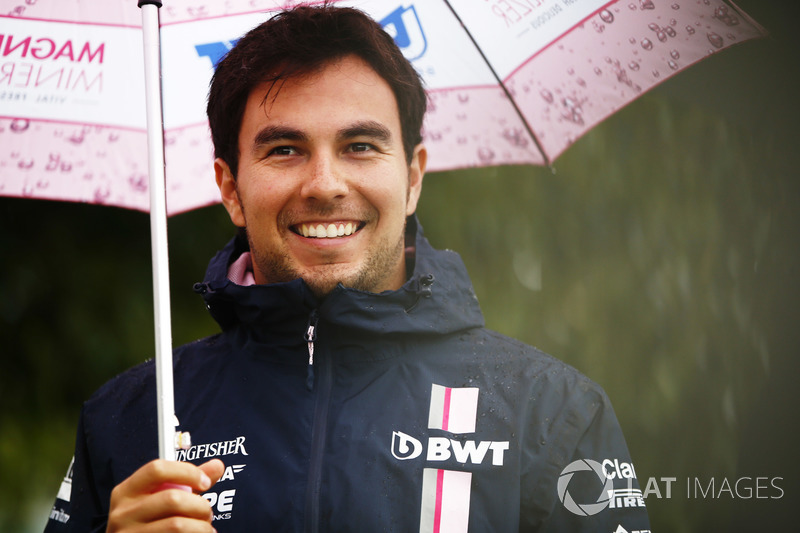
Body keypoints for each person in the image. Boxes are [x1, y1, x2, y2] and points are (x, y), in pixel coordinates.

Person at [45, 5, 650, 532]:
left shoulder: (553, 412)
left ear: (412, 177)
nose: (324, 185)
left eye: (360, 146)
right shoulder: (128, 420)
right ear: (230, 188)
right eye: (285, 149)